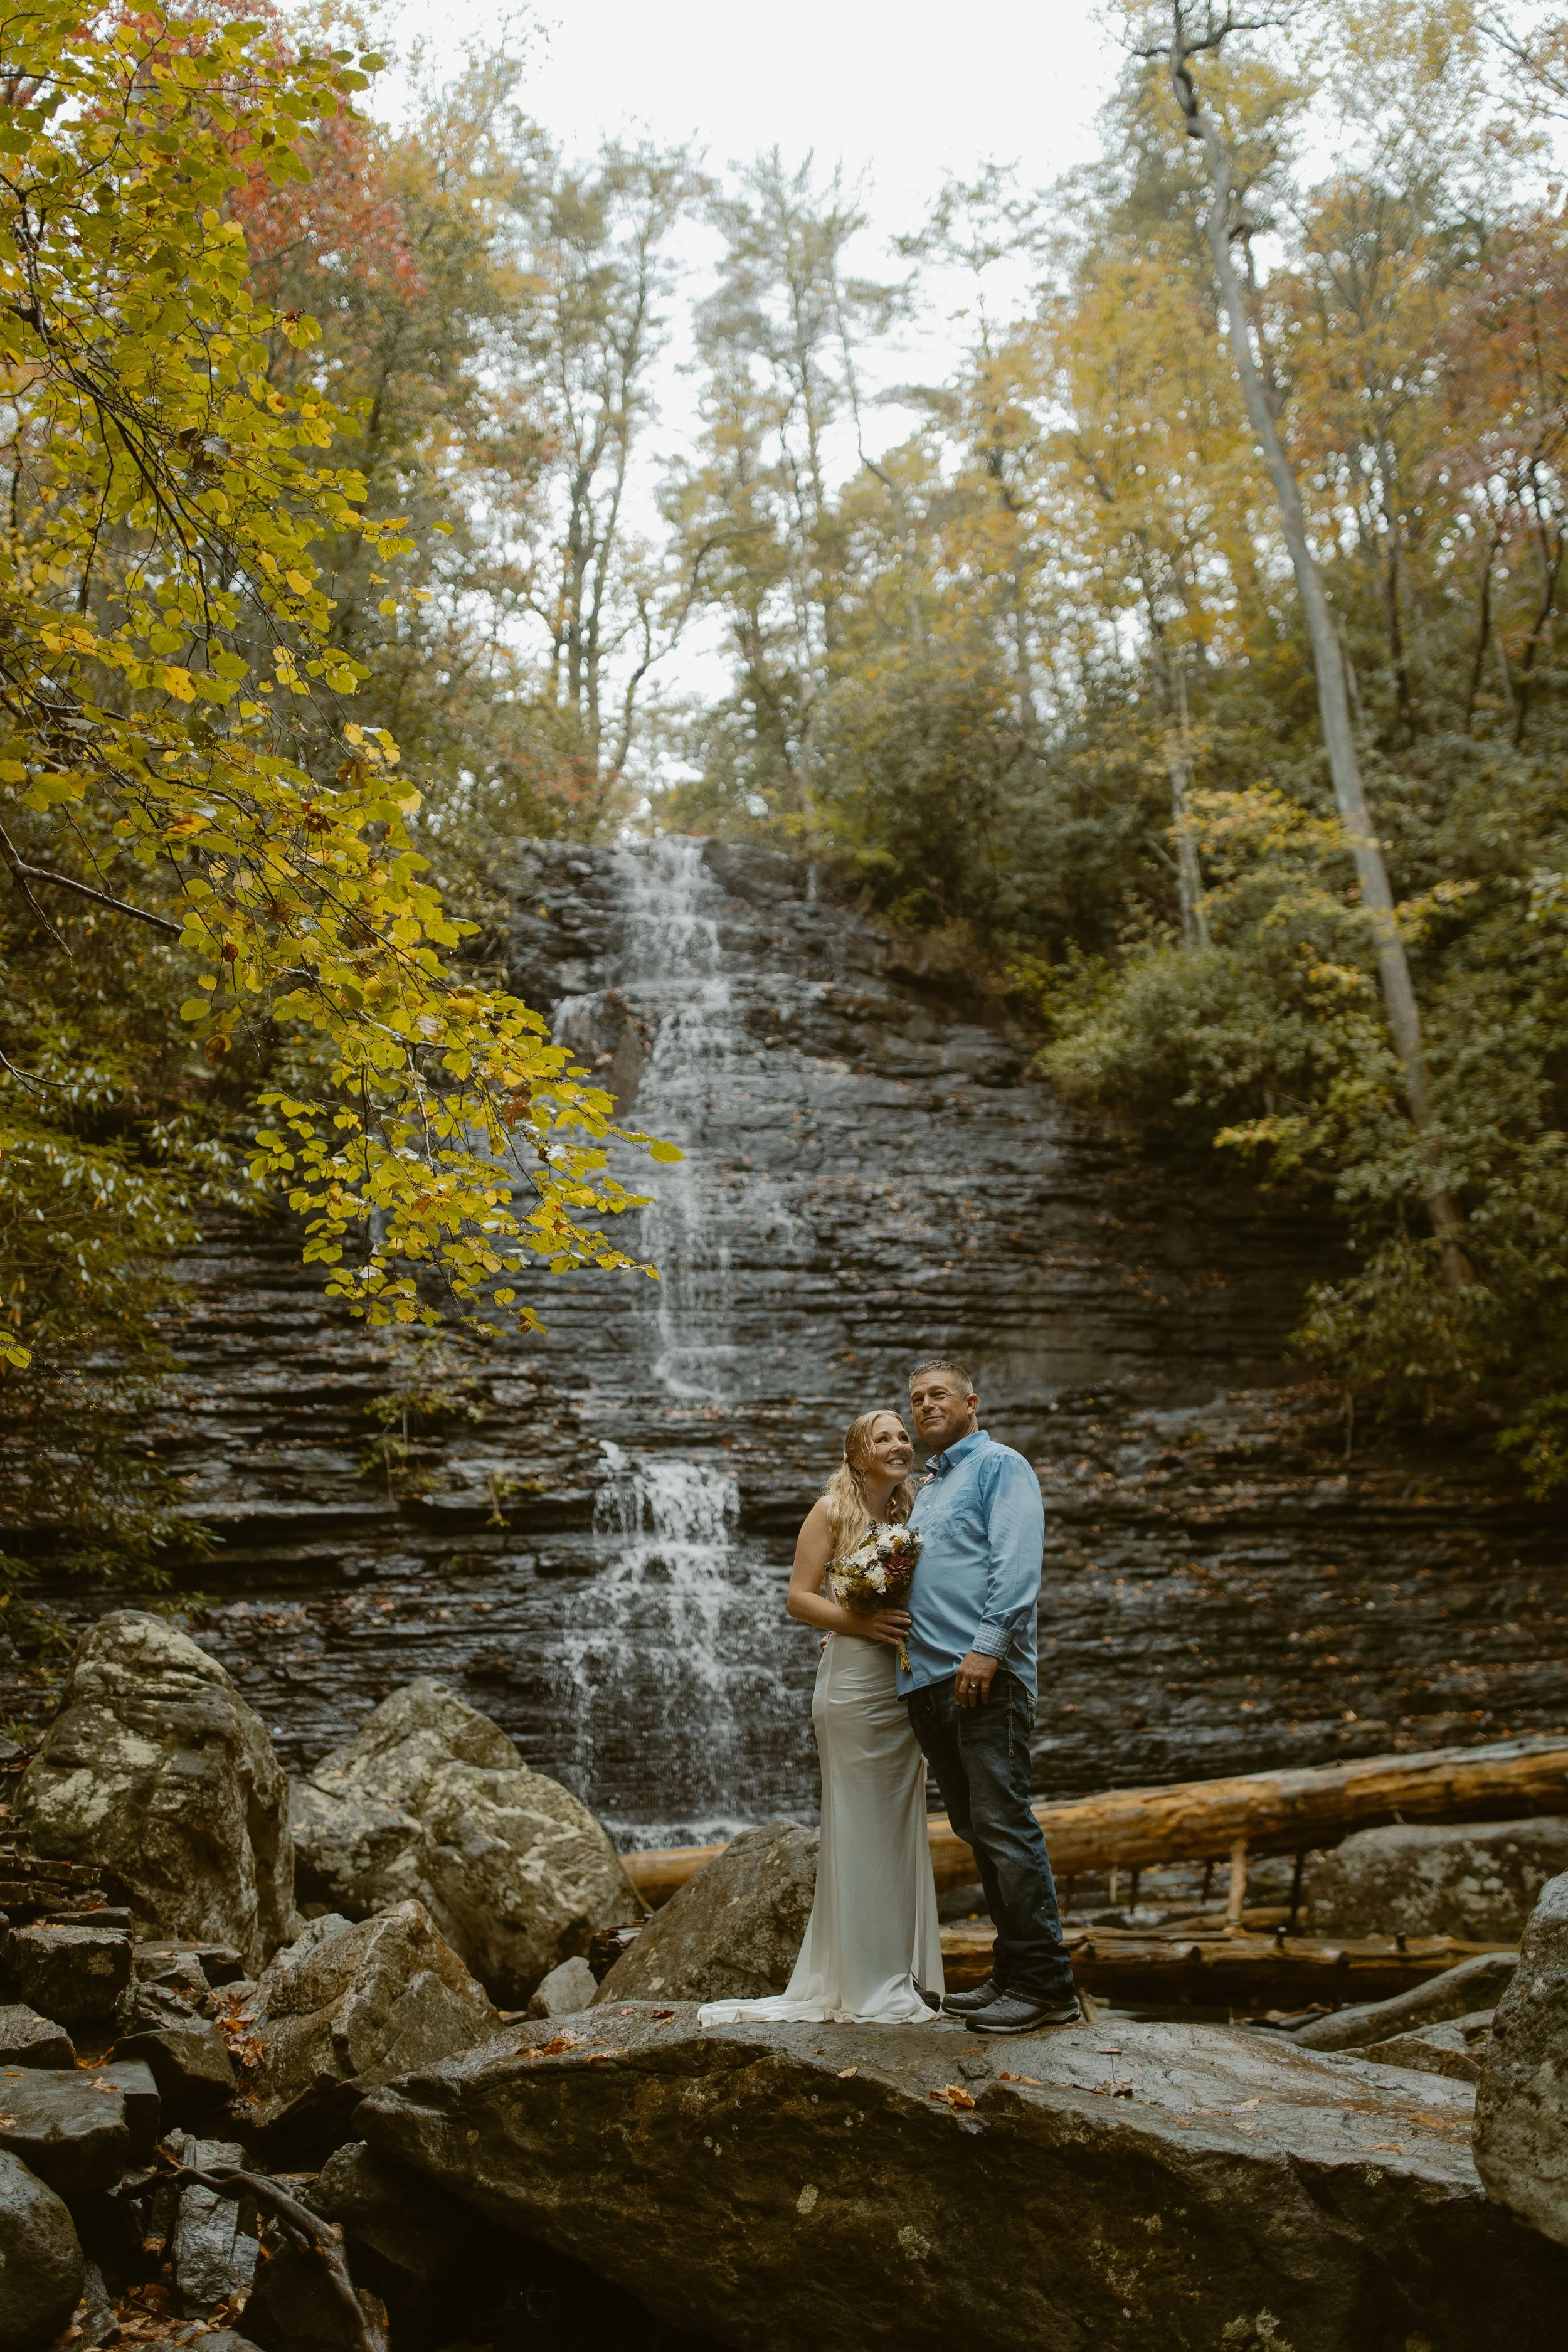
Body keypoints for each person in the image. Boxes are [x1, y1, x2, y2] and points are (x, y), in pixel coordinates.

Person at [697, 1408, 943, 2027]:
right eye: (881, 1436)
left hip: (901, 1683)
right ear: (856, 1456)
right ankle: (863, 1984)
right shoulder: (830, 1510)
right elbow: (799, 1597)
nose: (898, 1443)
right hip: (854, 1689)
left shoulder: (910, 1515)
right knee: (860, 1827)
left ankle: (898, 1972)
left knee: (897, 1826)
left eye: (902, 1436)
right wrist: (854, 1624)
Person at [901, 1359, 1080, 2035]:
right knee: (978, 1828)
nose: (924, 1407)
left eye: (937, 1394)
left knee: (1004, 1823)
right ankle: (1012, 1972)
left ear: (971, 1402)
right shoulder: (926, 1488)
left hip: (981, 1674)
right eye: (916, 1400)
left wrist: (987, 1649)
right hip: (927, 1679)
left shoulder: (998, 1465)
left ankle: (1046, 1985)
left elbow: (1015, 1561)